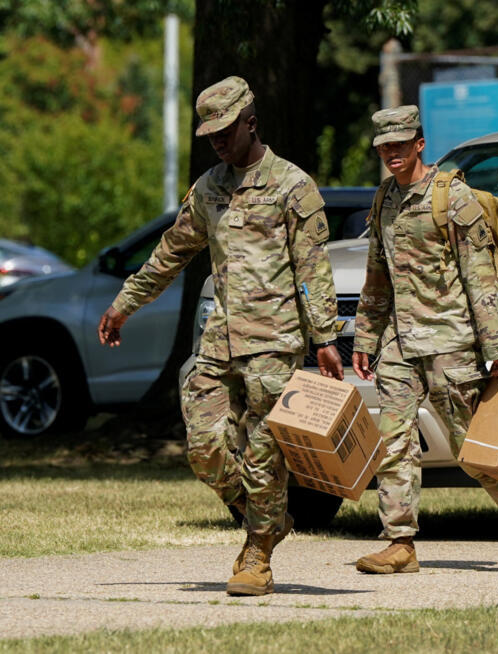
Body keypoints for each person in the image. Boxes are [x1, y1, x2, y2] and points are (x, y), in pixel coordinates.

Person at [98, 76, 343, 596]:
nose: (217, 142)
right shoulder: (209, 188)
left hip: (273, 344)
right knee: (204, 448)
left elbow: (312, 268)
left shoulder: (292, 185)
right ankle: (267, 517)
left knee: (263, 454)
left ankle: (257, 554)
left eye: (225, 132)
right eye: (209, 135)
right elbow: (170, 253)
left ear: (251, 123)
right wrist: (125, 304)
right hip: (218, 341)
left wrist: (324, 337)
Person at [351, 105, 498, 574]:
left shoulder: (453, 198)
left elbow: (478, 278)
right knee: (393, 443)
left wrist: (495, 350)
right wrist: (366, 337)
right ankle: (400, 542)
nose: (392, 153)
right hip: (399, 344)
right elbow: (377, 275)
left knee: (473, 451)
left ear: (419, 145)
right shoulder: (384, 199)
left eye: (400, 145)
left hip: (452, 344)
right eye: (384, 147)